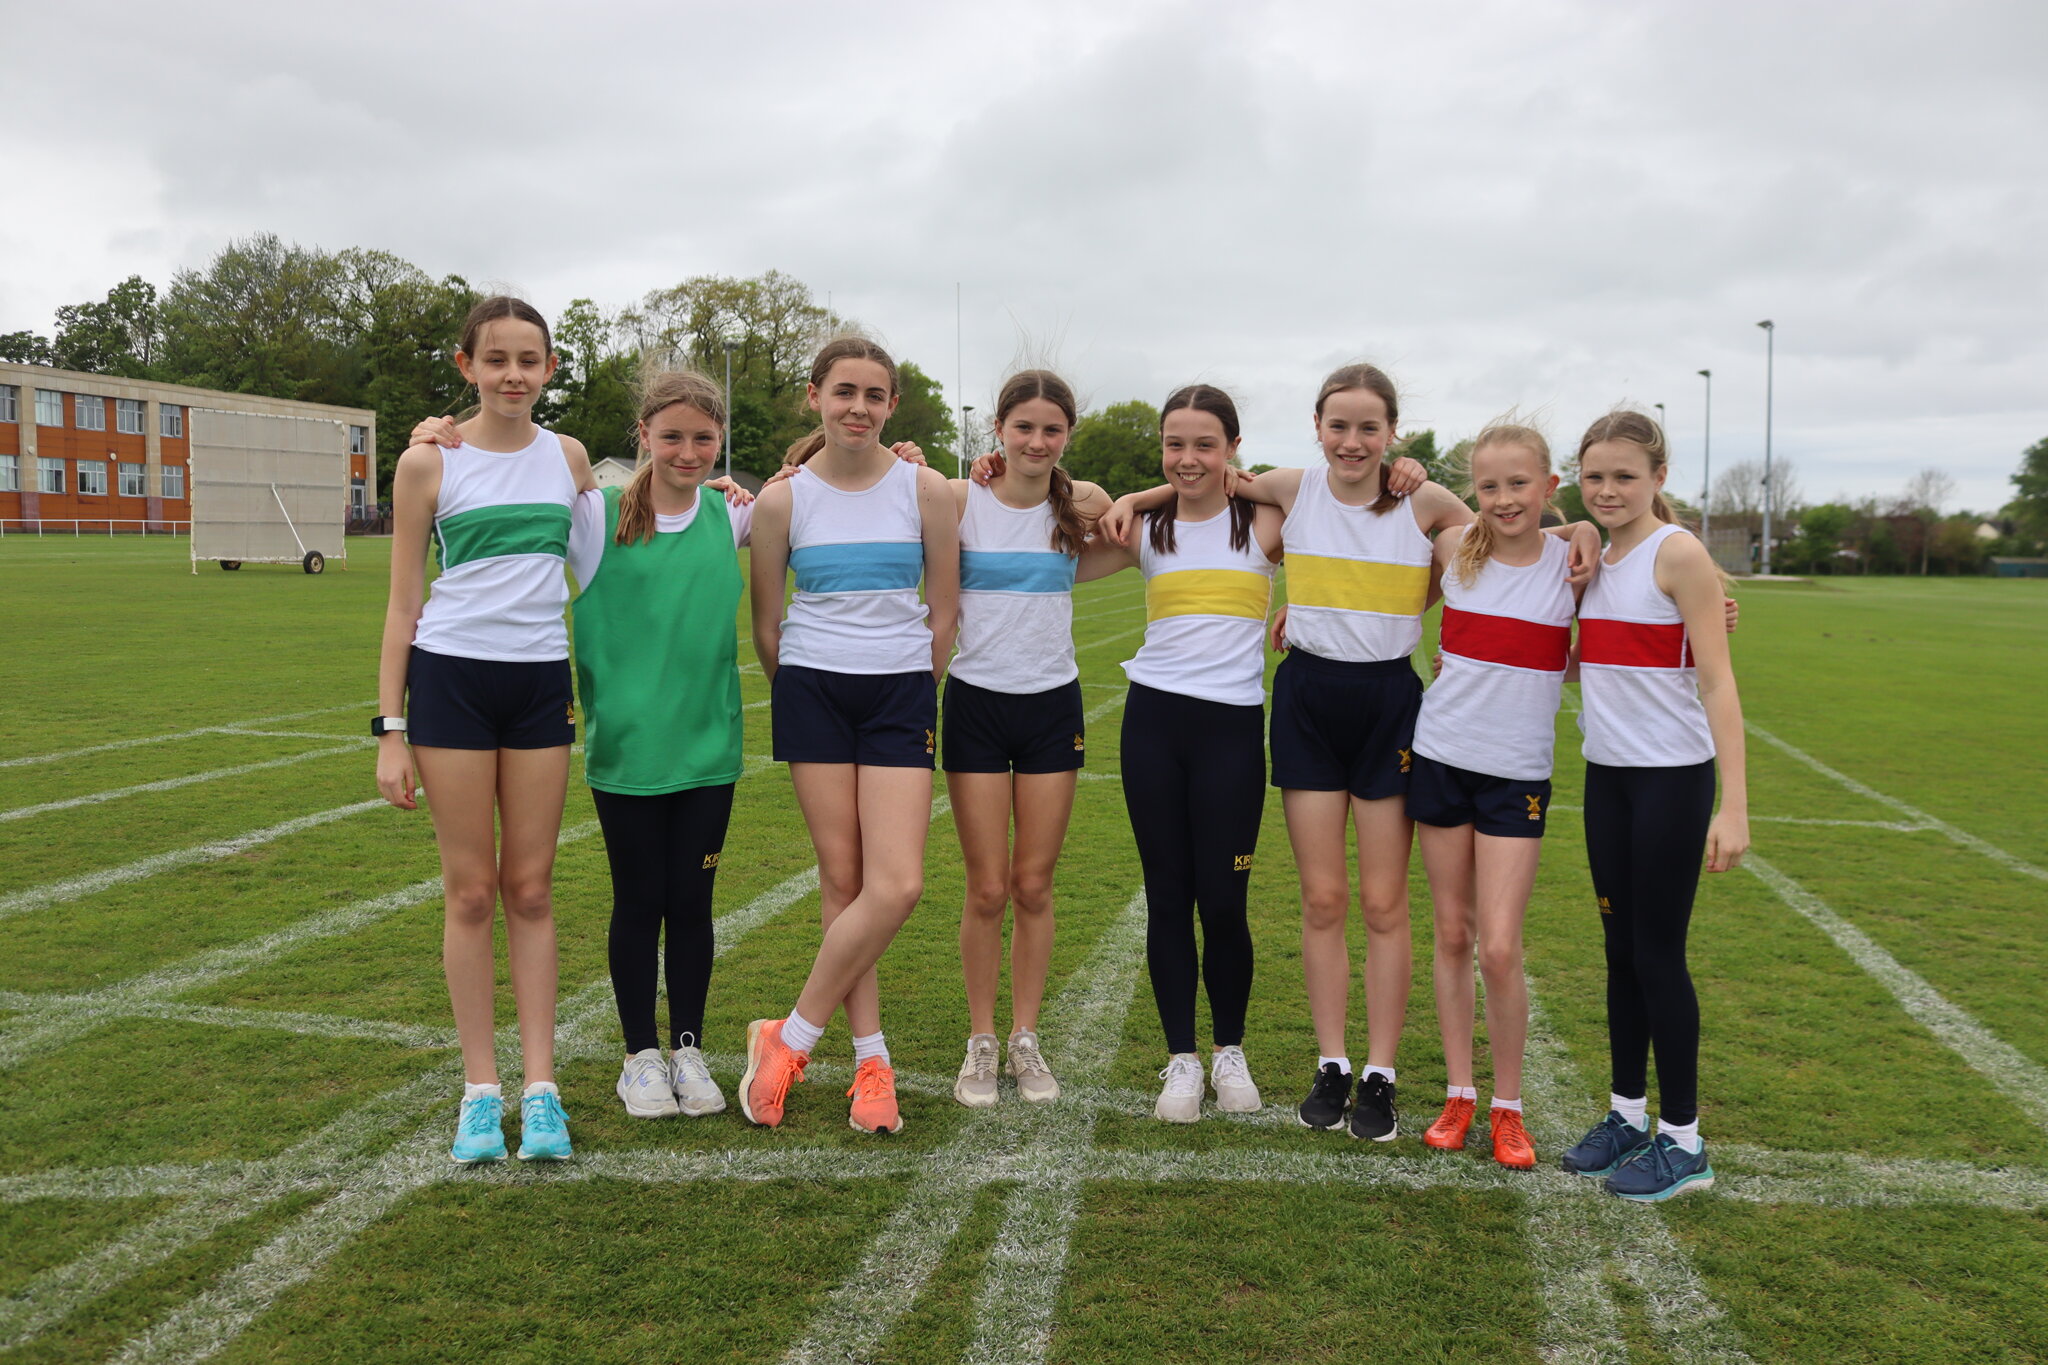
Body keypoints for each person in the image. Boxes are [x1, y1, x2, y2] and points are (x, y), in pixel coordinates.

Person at [411, 375, 756, 1125]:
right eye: (671, 436)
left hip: (709, 749)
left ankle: (688, 1048)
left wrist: (910, 456)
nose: (688, 451)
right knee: (639, 901)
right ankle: (640, 1055)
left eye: (703, 438)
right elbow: (505, 496)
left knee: (691, 903)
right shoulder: (592, 517)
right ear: (642, 437)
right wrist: (441, 440)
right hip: (626, 753)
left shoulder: (734, 516)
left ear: (720, 442)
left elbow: (830, 491)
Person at [375, 296, 592, 1165]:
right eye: (496, 359)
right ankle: (479, 1091)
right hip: (453, 685)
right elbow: (402, 603)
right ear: (467, 365)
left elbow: (644, 506)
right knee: (469, 890)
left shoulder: (568, 457)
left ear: (547, 368)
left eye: (529, 360)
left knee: (531, 888)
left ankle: (541, 1091)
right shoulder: (428, 462)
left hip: (540, 685)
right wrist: (391, 728)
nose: (513, 375)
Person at [739, 337, 960, 1135]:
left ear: (891, 404)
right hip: (814, 691)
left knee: (895, 884)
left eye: (873, 394)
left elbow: (944, 608)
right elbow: (767, 624)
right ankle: (873, 1063)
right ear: (815, 397)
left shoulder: (926, 489)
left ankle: (787, 1036)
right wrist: (803, 681)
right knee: (844, 880)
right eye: (843, 392)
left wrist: (912, 679)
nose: (857, 407)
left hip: (900, 691)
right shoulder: (782, 501)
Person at [1560, 409, 1749, 1201]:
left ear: (1658, 479)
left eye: (1624, 476)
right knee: (1619, 954)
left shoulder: (1680, 555)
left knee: (1659, 954)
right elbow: (1593, 666)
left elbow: (1717, 681)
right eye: (1595, 476)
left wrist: (1733, 805)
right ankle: (1626, 1115)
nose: (1608, 489)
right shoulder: (1592, 556)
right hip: (1608, 779)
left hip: (1672, 781)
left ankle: (1684, 1140)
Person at [1085, 385, 1284, 1122]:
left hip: (1231, 729)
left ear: (1232, 446)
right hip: (1154, 725)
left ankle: (1230, 1050)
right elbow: (1056, 523)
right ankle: (1182, 1061)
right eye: (1175, 443)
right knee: (1168, 897)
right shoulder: (1143, 529)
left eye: (1205, 443)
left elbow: (1341, 505)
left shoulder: (1265, 523)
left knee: (1225, 902)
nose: (1188, 457)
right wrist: (1141, 495)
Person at [1407, 421, 1580, 1170]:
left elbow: (1637, 593)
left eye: (1520, 484)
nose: (1504, 499)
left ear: (1548, 485)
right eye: (1489, 486)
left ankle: (1509, 1106)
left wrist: (1715, 616)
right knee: (1452, 933)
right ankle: (1460, 1092)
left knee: (1500, 945)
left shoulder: (1575, 565)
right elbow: (1376, 592)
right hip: (1442, 757)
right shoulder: (1453, 553)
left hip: (1517, 773)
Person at [944, 371, 1115, 1108]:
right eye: (1023, 428)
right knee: (987, 887)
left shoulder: (1074, 511)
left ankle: (1024, 1036)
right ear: (998, 432)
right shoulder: (959, 501)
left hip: (1052, 705)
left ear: (1066, 436)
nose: (1037, 442)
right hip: (977, 703)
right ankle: (981, 1040)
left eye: (1051, 430)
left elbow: (1108, 502)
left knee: (1034, 884)